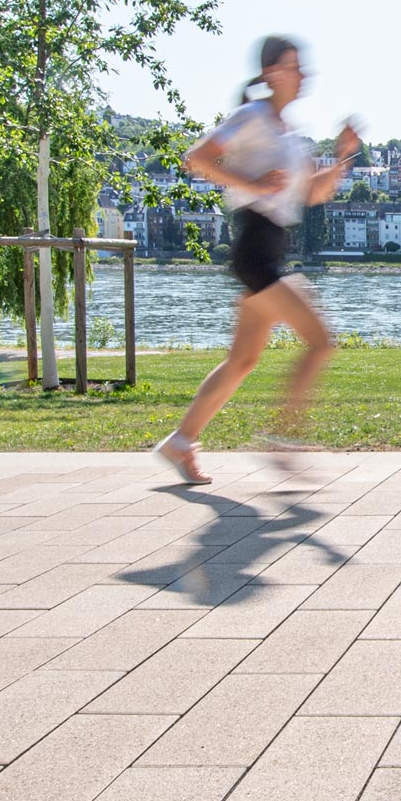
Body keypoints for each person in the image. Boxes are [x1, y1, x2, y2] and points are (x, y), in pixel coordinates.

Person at [152, 35, 360, 483]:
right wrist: (256, 184)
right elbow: (197, 158)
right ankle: (283, 437)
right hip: (254, 250)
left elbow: (314, 192)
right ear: (271, 73)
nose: (303, 75)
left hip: (270, 252)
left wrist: (343, 156)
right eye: (294, 66)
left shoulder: (290, 135)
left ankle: (180, 442)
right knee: (320, 341)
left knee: (243, 361)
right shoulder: (250, 117)